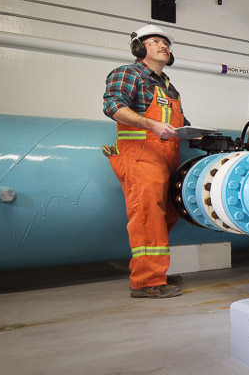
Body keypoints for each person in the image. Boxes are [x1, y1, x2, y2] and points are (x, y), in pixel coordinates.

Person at [102, 24, 188, 299]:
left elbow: (179, 122)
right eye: (155, 41)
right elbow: (113, 106)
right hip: (140, 155)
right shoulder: (128, 73)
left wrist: (194, 132)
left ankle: (155, 272)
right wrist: (151, 124)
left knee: (166, 216)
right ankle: (146, 282)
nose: (163, 46)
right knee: (147, 217)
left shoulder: (169, 87)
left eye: (166, 43)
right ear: (140, 48)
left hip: (168, 157)